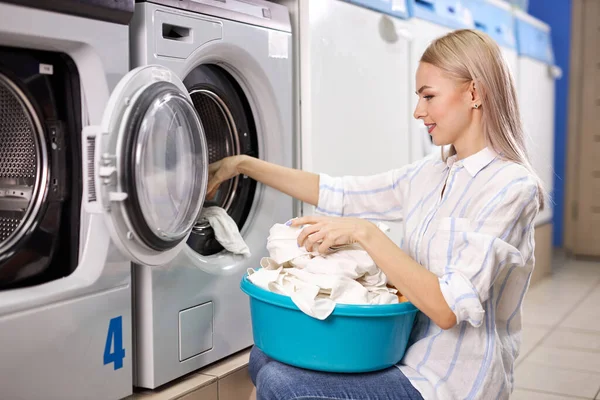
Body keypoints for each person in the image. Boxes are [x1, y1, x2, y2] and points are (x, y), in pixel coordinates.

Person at [207, 29, 542, 400]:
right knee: (263, 358)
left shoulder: (511, 188)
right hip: (400, 353)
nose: (418, 111)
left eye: (429, 96)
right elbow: (339, 192)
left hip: (449, 384)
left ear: (474, 93)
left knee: (280, 383)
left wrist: (365, 234)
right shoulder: (431, 174)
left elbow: (447, 310)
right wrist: (242, 164)